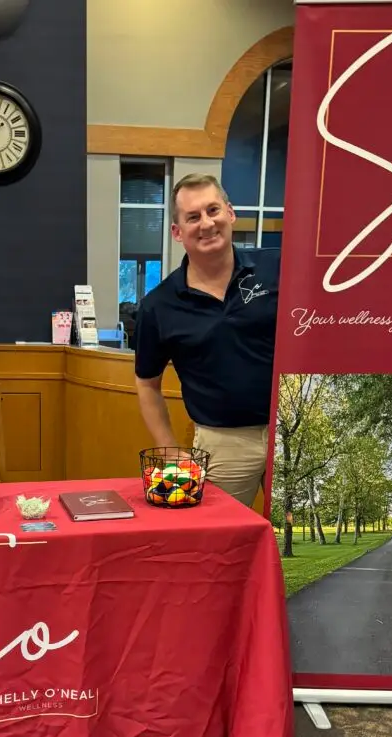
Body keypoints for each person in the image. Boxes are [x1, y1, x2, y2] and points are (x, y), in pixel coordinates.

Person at [133, 173, 279, 507]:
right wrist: (168, 448)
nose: (206, 223)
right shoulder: (159, 306)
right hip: (224, 444)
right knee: (223, 549)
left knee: (298, 547)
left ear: (230, 213)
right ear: (177, 232)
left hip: (293, 433)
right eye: (193, 217)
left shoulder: (277, 268)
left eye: (213, 210)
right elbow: (146, 384)